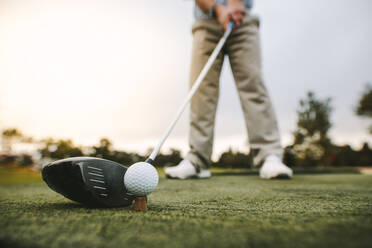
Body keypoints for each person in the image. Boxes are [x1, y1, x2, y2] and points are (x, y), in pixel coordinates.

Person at [164, 0, 293, 179]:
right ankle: (197, 160)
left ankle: (269, 155)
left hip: (241, 19)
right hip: (206, 22)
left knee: (252, 85)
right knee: (201, 91)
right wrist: (217, 8)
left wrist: (234, 3)